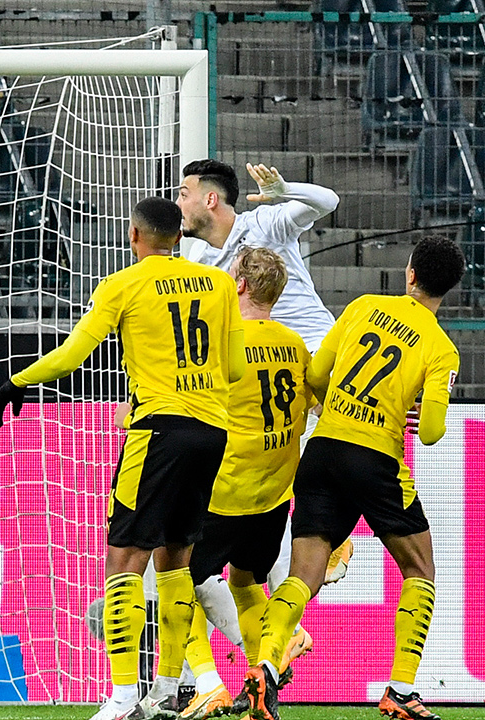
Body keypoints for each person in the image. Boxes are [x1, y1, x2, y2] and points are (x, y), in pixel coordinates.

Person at [0, 197, 245, 720]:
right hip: (212, 432)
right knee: (176, 561)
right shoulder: (219, 284)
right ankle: (169, 690)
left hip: (159, 430)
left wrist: (17, 380)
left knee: (123, 559)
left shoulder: (123, 285)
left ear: (134, 235)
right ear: (179, 236)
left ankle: (125, 696)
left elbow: (74, 354)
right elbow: (237, 367)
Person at [241, 235, 464, 720]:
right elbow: (429, 433)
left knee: (303, 576)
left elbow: (316, 375)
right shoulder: (443, 349)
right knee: (420, 571)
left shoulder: (363, 305)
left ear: (409, 274)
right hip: (377, 460)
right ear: (448, 289)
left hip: (322, 450)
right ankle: (401, 690)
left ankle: (265, 668)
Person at [175, 159, 352, 680]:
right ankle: (278, 638)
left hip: (312, 352)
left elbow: (328, 201)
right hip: (257, 366)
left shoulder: (266, 224)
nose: (177, 201)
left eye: (183, 192)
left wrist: (281, 192)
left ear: (211, 199)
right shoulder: (196, 257)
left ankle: (329, 533)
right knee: (266, 485)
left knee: (329, 438)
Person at [177, 248, 313, 719]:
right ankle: (261, 681)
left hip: (221, 492)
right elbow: (314, 401)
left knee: (172, 579)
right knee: (248, 582)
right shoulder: (294, 345)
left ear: (238, 285)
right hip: (273, 497)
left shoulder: (222, 341)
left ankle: (207, 682)